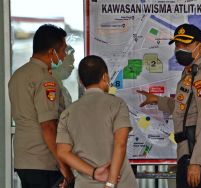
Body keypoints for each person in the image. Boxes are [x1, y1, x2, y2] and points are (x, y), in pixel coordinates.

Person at [137, 23, 201, 188]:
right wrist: (157, 100)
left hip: (198, 154)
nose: (180, 49)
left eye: (186, 44)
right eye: (178, 44)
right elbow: (185, 108)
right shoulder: (190, 72)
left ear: (200, 46)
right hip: (188, 151)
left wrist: (196, 163)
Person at [56, 55, 138, 188]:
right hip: (121, 183)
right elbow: (120, 143)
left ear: (81, 81)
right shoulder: (117, 104)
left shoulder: (68, 112)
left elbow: (62, 152)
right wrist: (110, 183)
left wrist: (94, 173)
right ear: (105, 76)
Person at [8, 24, 73, 188]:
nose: (64, 55)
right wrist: (64, 166)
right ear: (52, 52)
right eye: (63, 50)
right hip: (44, 162)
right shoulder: (46, 80)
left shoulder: (18, 75)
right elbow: (48, 127)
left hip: (24, 159)